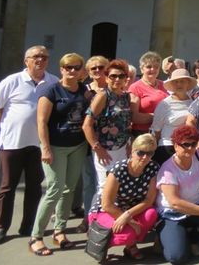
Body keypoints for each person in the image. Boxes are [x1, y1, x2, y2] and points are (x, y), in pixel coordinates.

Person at [0, 46, 58, 246]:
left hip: (39, 144)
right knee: (7, 186)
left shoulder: (52, 81)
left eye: (44, 57)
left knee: (35, 187)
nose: (41, 60)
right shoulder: (12, 81)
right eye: (36, 56)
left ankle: (28, 225)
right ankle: (1, 227)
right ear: (26, 60)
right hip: (13, 142)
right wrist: (9, 124)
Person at [28, 53, 90, 256]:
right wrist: (45, 148)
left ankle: (59, 231)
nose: (72, 71)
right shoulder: (51, 90)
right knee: (54, 188)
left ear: (81, 70)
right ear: (62, 69)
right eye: (68, 67)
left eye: (76, 67)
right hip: (55, 146)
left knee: (69, 189)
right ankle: (36, 236)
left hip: (77, 145)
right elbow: (41, 122)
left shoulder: (83, 89)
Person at [157, 125, 199, 264]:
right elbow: (174, 202)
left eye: (193, 144)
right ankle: (165, 236)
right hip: (173, 212)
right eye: (185, 144)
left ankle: (191, 236)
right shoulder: (167, 170)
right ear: (176, 146)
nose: (190, 148)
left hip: (196, 204)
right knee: (177, 257)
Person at [87, 134, 159, 260]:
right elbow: (106, 204)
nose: (145, 157)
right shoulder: (119, 169)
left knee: (151, 214)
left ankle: (130, 245)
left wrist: (127, 216)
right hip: (107, 211)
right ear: (132, 150)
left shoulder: (152, 168)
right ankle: (100, 243)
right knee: (128, 233)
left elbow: (149, 201)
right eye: (141, 153)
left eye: (150, 153)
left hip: (130, 210)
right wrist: (128, 220)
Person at [83, 60, 136, 192]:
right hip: (105, 150)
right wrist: (97, 148)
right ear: (106, 78)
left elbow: (127, 123)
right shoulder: (102, 96)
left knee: (120, 186)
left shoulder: (126, 97)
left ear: (126, 79)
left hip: (123, 148)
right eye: (113, 76)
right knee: (105, 187)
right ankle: (97, 213)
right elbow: (87, 125)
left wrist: (129, 143)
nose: (117, 79)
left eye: (121, 76)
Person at [79, 55, 109, 228]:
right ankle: (88, 216)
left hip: (111, 142)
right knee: (90, 180)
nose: (98, 71)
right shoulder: (85, 91)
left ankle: (105, 215)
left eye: (101, 67)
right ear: (89, 72)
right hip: (90, 141)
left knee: (106, 181)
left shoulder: (114, 88)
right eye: (93, 68)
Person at [152, 68, 197, 165]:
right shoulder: (164, 104)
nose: (179, 84)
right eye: (176, 82)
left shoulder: (193, 102)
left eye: (182, 81)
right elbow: (156, 131)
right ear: (172, 85)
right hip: (167, 147)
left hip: (187, 148)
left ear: (188, 83)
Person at [128, 51, 168, 137]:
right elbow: (133, 117)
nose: (153, 69)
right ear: (142, 69)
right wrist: (158, 117)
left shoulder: (164, 85)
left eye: (156, 67)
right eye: (149, 67)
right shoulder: (135, 87)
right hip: (144, 135)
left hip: (163, 133)